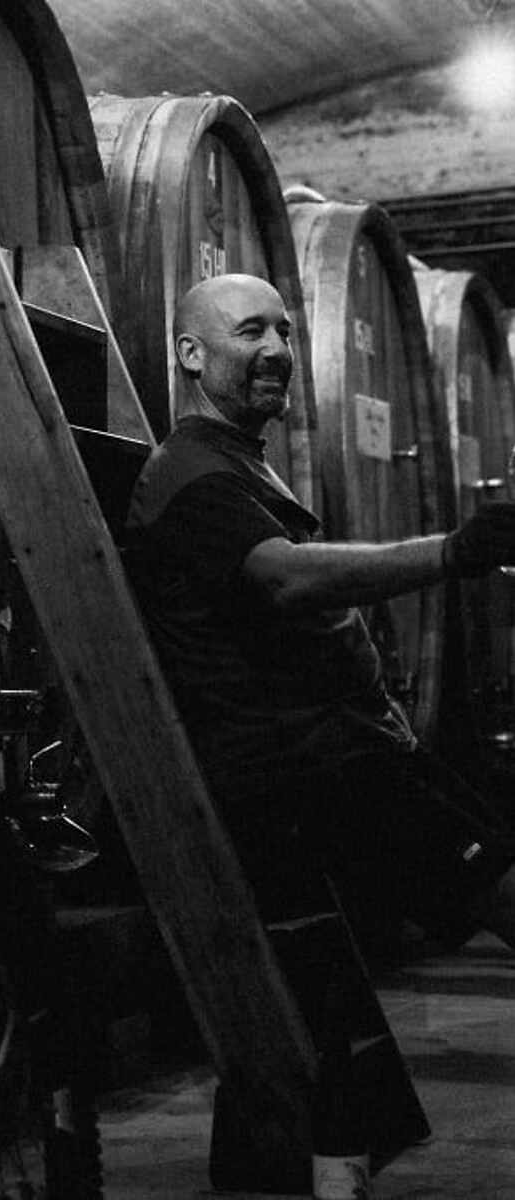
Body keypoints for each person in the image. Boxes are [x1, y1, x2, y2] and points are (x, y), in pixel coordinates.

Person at [123, 272, 515, 950]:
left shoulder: (235, 462)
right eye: (251, 331)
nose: (277, 350)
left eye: (283, 332)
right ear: (191, 354)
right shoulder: (190, 474)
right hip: (309, 775)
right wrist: (452, 552)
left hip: (351, 755)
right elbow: (284, 579)